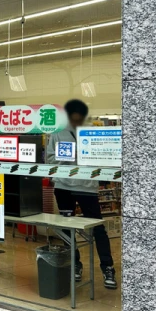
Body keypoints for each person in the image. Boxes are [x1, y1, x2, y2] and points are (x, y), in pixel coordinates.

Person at [47, 99, 117, 289]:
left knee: (97, 227)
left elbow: (104, 157)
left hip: (87, 186)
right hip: (63, 185)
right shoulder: (57, 133)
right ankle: (75, 264)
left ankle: (107, 267)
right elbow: (49, 158)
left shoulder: (93, 132)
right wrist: (69, 155)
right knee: (67, 227)